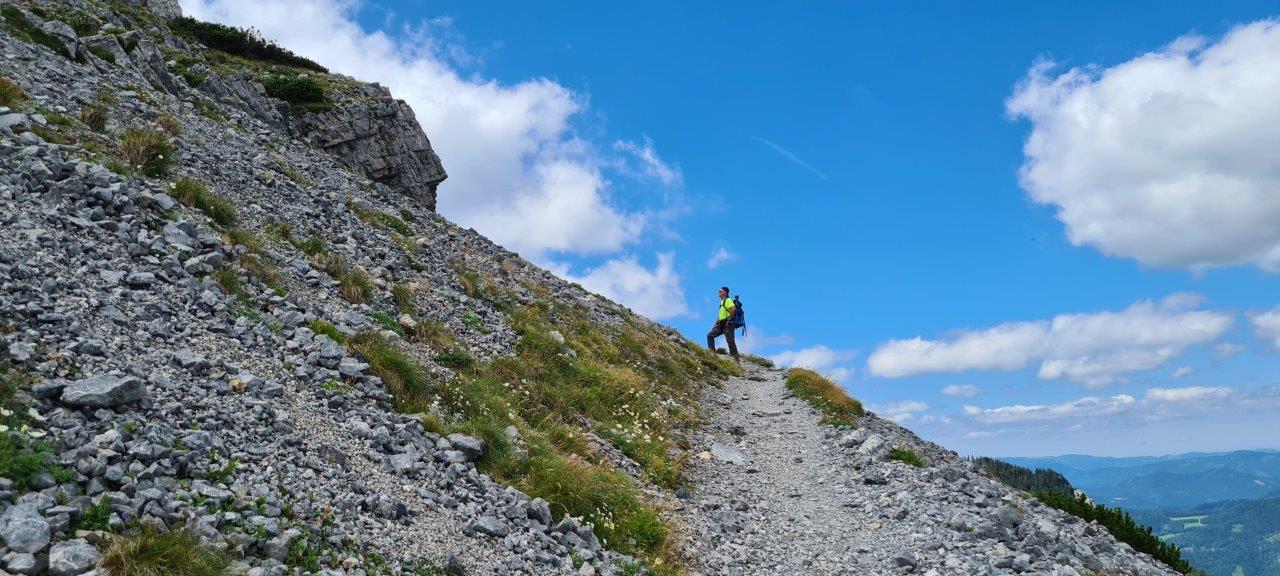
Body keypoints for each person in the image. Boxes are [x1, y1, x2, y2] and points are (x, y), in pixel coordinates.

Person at [707, 286, 740, 361]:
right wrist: (715, 324)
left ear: (725, 292)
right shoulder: (721, 302)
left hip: (728, 324)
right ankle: (712, 353)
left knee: (730, 340)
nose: (719, 292)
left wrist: (729, 319)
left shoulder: (728, 300)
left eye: (720, 290)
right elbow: (720, 315)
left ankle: (735, 356)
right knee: (710, 335)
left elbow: (733, 309)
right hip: (721, 324)